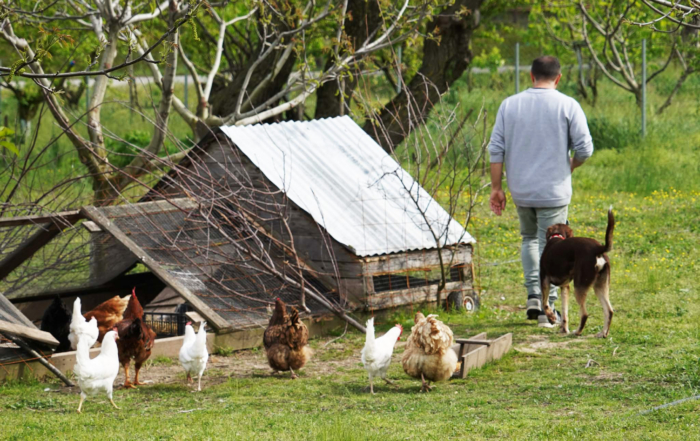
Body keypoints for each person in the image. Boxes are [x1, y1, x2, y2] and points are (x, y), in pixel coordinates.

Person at [487, 56, 593, 327]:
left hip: (521, 189)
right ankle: (550, 310)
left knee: (529, 239)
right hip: (554, 190)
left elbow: (496, 148)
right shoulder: (568, 105)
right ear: (558, 78)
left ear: (531, 76)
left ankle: (534, 296)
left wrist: (496, 188)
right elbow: (585, 148)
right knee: (554, 245)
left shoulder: (509, 105)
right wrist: (570, 165)